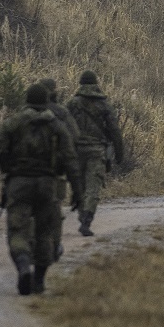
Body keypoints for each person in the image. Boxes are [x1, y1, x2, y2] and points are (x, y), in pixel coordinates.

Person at [0, 83, 81, 296]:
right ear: (47, 100)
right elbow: (70, 159)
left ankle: (24, 267)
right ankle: (40, 279)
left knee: (17, 230)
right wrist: (78, 189)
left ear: (27, 99)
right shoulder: (56, 126)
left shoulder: (13, 123)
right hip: (47, 184)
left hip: (18, 183)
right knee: (45, 232)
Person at [65, 70, 126, 236]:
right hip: (97, 150)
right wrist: (119, 154)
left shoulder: (72, 104)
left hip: (76, 151)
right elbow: (114, 130)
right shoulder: (103, 105)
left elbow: (63, 128)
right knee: (93, 186)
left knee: (80, 186)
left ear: (81, 83)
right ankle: (86, 219)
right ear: (95, 83)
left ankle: (81, 214)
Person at [40, 77, 82, 256]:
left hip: (25, 171)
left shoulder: (23, 113)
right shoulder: (61, 113)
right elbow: (74, 137)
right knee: (55, 208)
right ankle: (55, 245)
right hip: (54, 170)